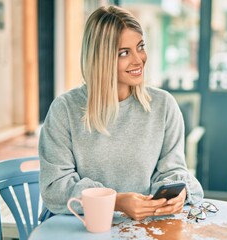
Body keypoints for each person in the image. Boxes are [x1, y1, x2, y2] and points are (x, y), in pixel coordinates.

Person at [39, 5, 204, 221]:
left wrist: (177, 193)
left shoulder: (164, 106)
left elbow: (172, 171)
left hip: (141, 228)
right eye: (124, 53)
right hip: (78, 226)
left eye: (140, 47)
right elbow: (55, 188)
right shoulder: (64, 110)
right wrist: (116, 201)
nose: (139, 60)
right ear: (101, 57)